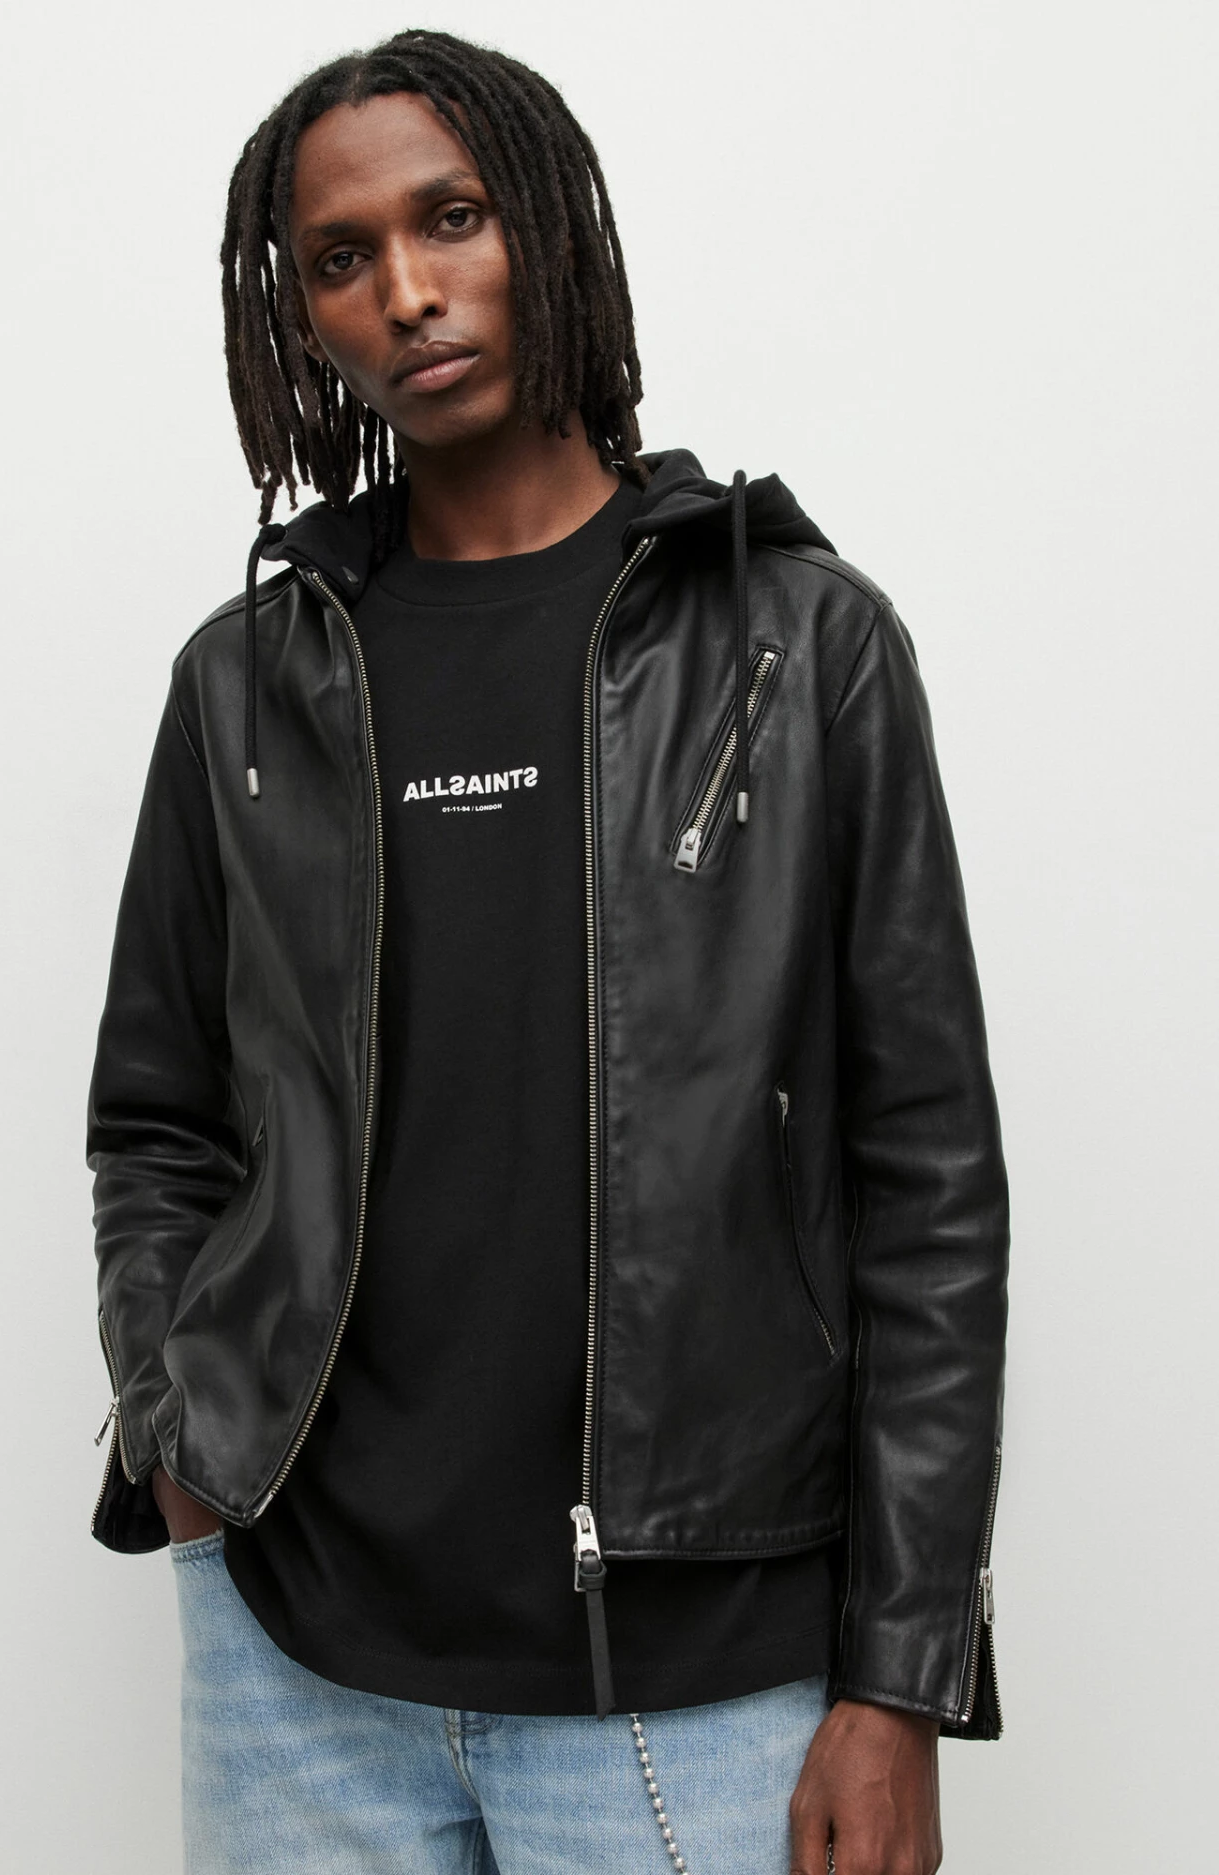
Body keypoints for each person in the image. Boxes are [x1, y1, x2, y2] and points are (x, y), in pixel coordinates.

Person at [86, 28, 1009, 1875]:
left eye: (454, 217)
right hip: (298, 1666)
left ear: (552, 228)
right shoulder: (248, 682)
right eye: (340, 256)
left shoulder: (797, 644)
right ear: (301, 318)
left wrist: (899, 1678)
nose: (407, 290)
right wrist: (186, 1450)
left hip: (698, 1672)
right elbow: (159, 1119)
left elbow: (928, 1181)